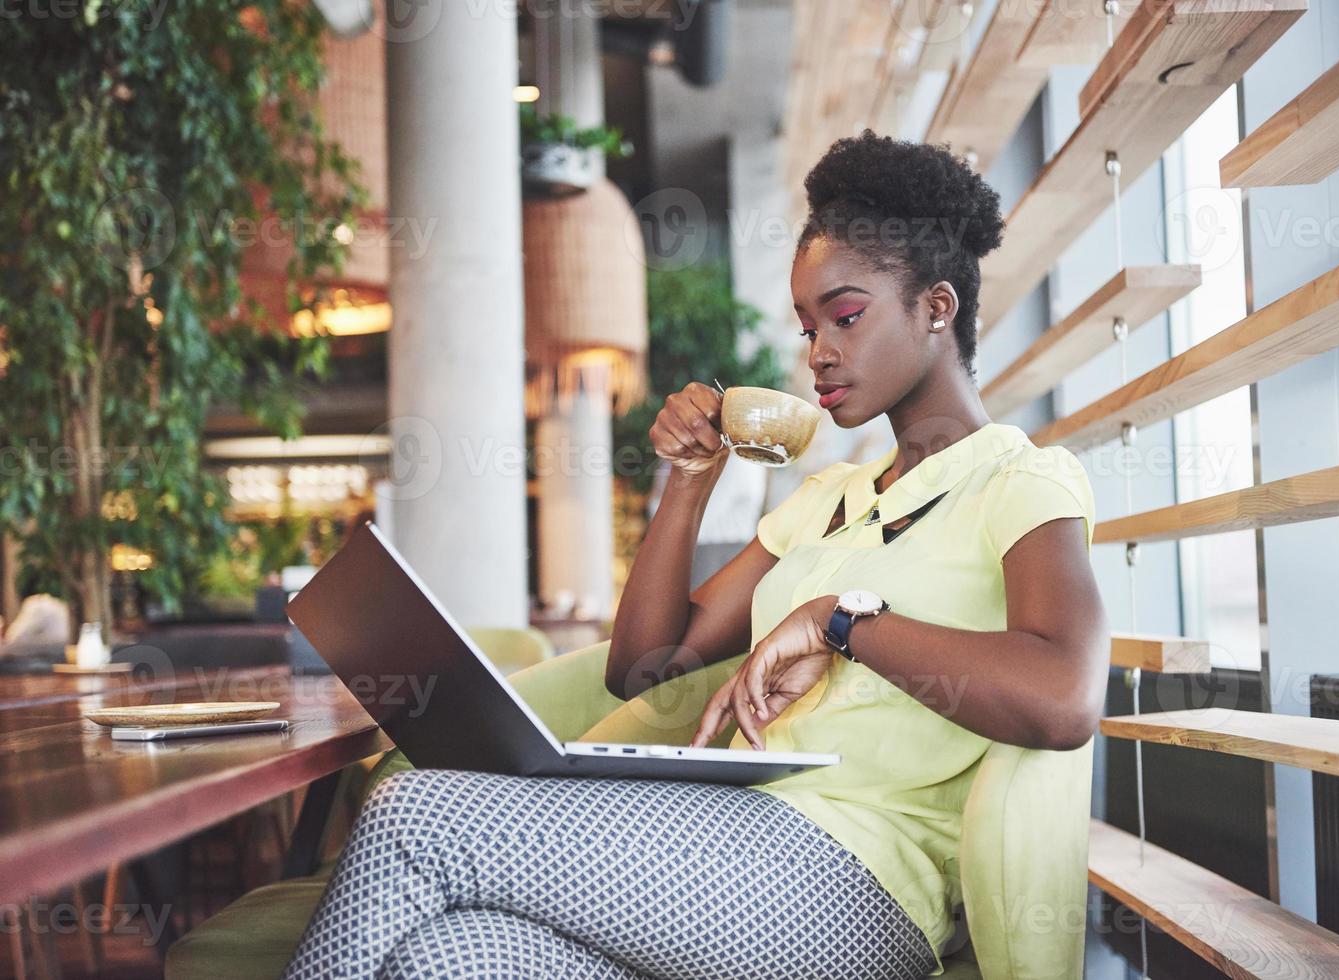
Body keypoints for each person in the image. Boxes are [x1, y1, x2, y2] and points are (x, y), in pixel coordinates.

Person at [280, 131, 1109, 980]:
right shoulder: (827, 502)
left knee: (418, 815)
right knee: (445, 960)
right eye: (807, 325)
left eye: (846, 316)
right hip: (725, 839)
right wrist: (686, 481)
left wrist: (838, 621)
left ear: (936, 308)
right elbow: (644, 665)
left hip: (858, 885)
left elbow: (1063, 696)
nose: (817, 351)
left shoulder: (1019, 479)